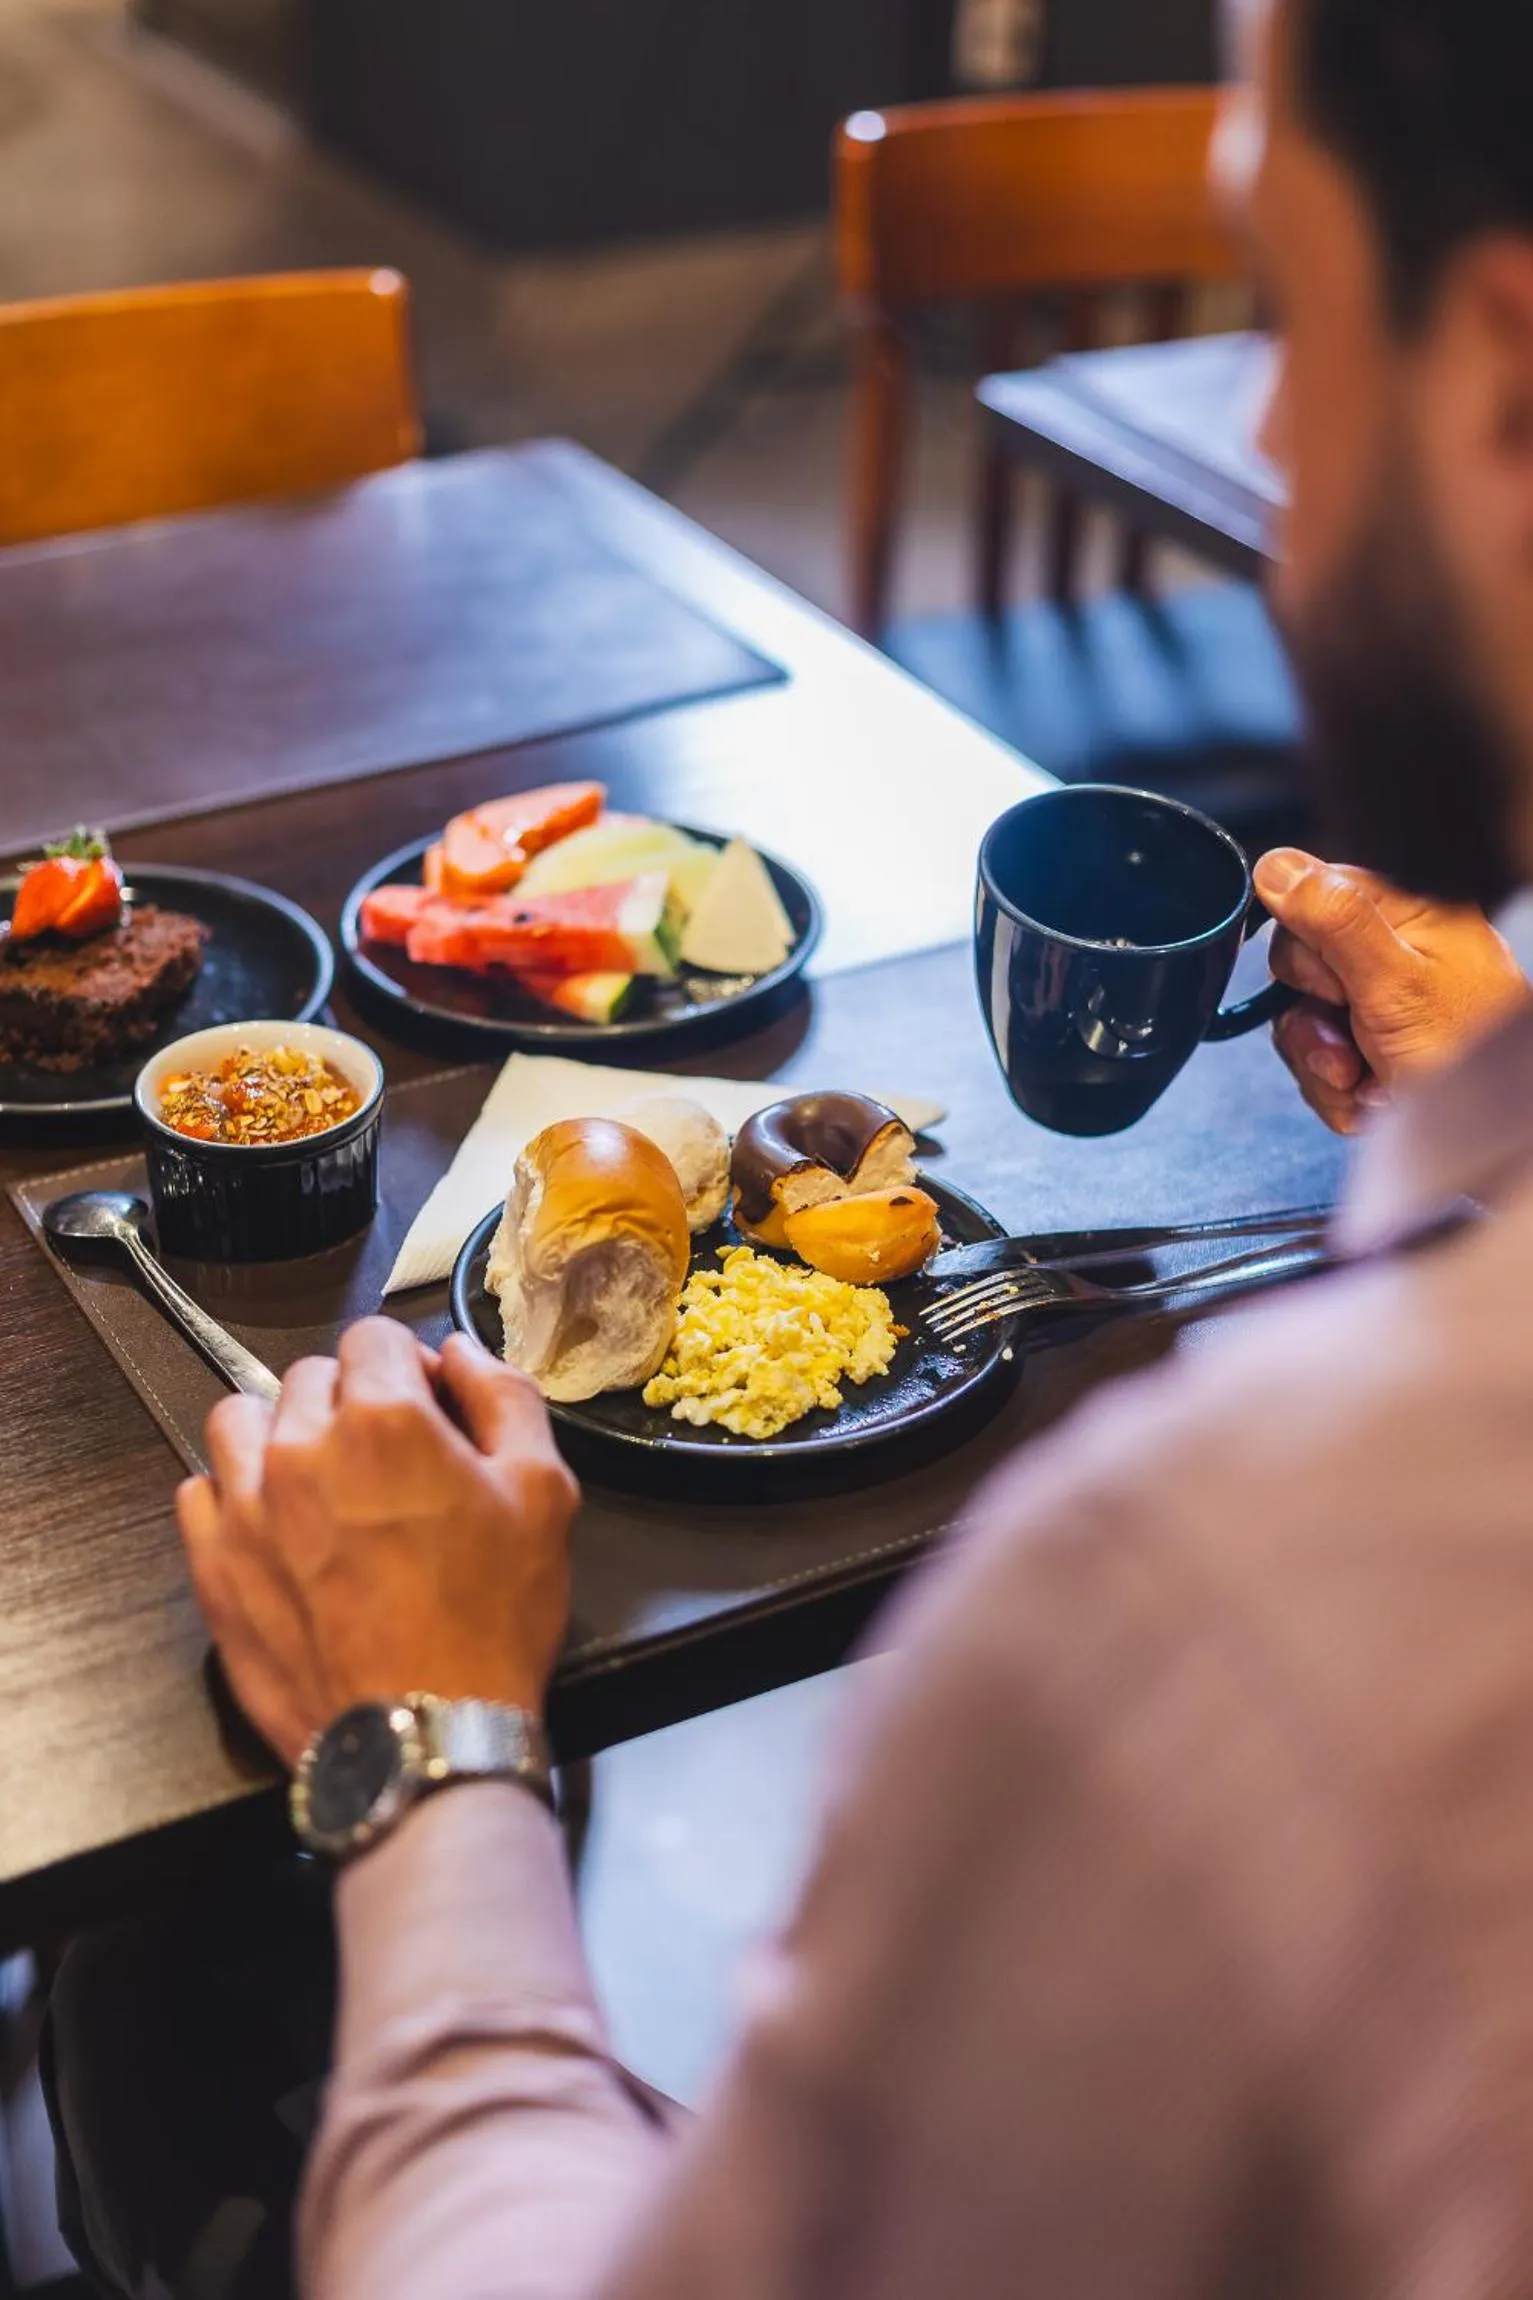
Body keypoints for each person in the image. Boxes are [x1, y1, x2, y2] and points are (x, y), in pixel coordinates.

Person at [45, 0, 1533, 2292]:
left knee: (177, 2005)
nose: (1259, 423)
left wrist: (425, 1741)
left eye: (1279, 298)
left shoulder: (1195, 1608)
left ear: (1499, 370)